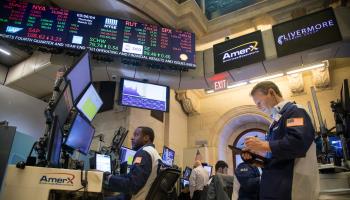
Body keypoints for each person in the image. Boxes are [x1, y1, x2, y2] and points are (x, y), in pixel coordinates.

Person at [242, 81, 319, 200]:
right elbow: (277, 157)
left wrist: (263, 145)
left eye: (259, 102)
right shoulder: (275, 122)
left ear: (271, 93)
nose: (258, 107)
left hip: (292, 187)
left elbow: (297, 143)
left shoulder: (295, 111)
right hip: (275, 187)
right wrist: (256, 160)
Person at [103, 126, 161, 200]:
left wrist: (109, 178)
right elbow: (131, 177)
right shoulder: (154, 153)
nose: (132, 138)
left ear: (146, 138)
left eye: (136, 135)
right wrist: (113, 177)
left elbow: (133, 185)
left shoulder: (144, 152)